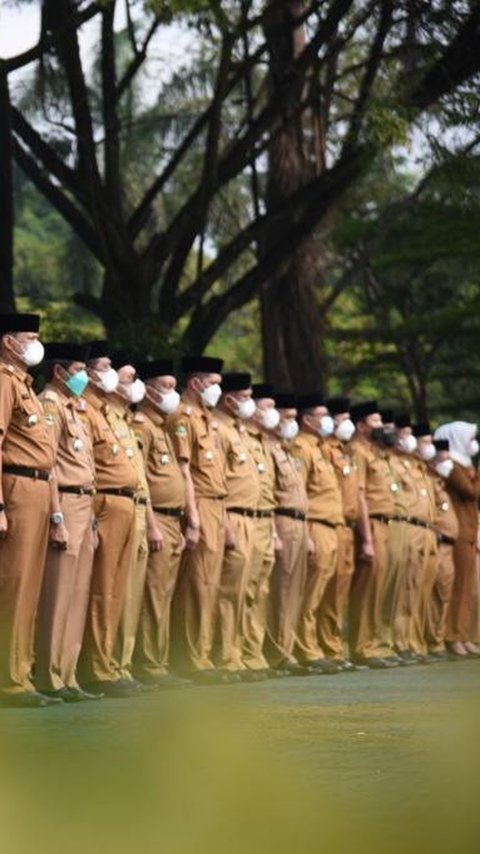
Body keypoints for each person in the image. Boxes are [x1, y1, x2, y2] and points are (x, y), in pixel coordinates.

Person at [0, 314, 62, 707]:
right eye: (30, 338)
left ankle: (22, 675)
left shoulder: (25, 385)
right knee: (15, 584)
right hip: (18, 486)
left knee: (31, 588)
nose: (36, 345)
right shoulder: (4, 381)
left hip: (39, 487)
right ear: (9, 342)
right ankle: (9, 681)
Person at [34, 342, 99, 702]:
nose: (83, 377)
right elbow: (50, 467)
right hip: (66, 502)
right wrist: (57, 514)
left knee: (77, 593)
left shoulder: (75, 409)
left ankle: (68, 674)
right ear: (60, 372)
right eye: (78, 370)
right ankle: (48, 675)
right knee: (58, 592)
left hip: (85, 503)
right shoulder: (50, 405)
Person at [77, 341, 140, 697]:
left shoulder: (105, 413)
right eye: (105, 366)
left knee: (116, 591)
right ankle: (97, 668)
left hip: (125, 505)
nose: (111, 373)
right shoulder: (85, 410)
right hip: (102, 503)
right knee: (101, 590)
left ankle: (108, 664)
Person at [167, 356, 233, 684]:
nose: (217, 391)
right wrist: (192, 516)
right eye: (213, 384)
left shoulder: (208, 419)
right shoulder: (183, 416)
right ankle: (192, 658)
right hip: (201, 503)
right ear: (195, 384)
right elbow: (184, 470)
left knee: (210, 584)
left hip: (218, 505)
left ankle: (203, 654)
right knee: (198, 583)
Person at [131, 359, 188, 688]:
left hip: (172, 519)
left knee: (164, 594)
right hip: (157, 518)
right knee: (153, 594)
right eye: (166, 387)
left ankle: (159, 661)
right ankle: (149, 663)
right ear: (149, 390)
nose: (172, 394)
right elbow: (142, 481)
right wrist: (152, 525)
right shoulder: (142, 425)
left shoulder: (161, 427)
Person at [110, 356, 164, 688]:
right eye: (129, 378)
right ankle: (106, 666)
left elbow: (141, 477)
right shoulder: (104, 418)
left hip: (140, 509)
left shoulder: (127, 421)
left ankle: (123, 665)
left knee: (130, 593)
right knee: (112, 592)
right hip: (113, 506)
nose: (136, 386)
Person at [213, 373, 263, 679]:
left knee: (245, 591)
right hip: (230, 514)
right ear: (229, 398)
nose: (249, 404)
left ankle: (238, 652)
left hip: (252, 517)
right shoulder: (219, 429)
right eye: (244, 397)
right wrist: (225, 523)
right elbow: (215, 479)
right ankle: (224, 656)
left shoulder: (240, 430)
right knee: (228, 590)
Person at [290, 394, 344, 674]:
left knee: (321, 591)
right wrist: (306, 532)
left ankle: (317, 645)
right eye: (321, 416)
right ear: (307, 419)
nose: (328, 421)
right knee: (309, 591)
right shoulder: (301, 447)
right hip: (316, 525)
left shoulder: (322, 447)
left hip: (332, 525)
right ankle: (306, 647)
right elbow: (300, 491)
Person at [263, 394, 312, 675]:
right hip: (281, 520)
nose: (291, 423)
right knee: (279, 589)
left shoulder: (286, 449)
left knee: (294, 590)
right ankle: (277, 651)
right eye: (287, 417)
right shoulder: (267, 447)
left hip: (298, 522)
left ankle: (286, 647)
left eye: (294, 417)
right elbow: (267, 493)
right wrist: (273, 532)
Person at [348, 401, 399, 669]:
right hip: (372, 524)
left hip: (385, 524)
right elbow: (360, 496)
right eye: (376, 422)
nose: (382, 427)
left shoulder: (376, 453)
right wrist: (366, 537)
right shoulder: (357, 451)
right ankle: (362, 646)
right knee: (367, 588)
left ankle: (377, 642)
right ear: (361, 426)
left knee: (380, 587)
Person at [242, 384, 284, 676]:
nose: (271, 414)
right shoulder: (238, 435)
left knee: (260, 590)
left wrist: (273, 531)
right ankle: (235, 655)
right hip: (240, 518)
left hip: (263, 520)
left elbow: (267, 491)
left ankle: (254, 654)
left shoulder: (261, 441)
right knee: (240, 591)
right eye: (264, 407)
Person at [434, 421, 480, 657]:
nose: (473, 443)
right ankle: (452, 635)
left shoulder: (465, 464)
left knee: (469, 588)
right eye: (470, 438)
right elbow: (471, 491)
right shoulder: (448, 465)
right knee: (458, 585)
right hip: (459, 532)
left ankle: (463, 633)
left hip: (470, 531)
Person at [323, 396, 362, 670]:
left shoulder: (345, 452)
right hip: (329, 524)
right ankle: (326, 648)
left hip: (346, 526)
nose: (346, 424)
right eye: (342, 419)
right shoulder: (324, 449)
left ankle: (336, 648)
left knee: (341, 591)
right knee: (328, 589)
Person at [425, 438, 459, 659]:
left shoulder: (443, 484)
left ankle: (437, 638)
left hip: (449, 545)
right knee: (432, 593)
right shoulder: (428, 481)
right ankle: (430, 640)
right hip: (435, 543)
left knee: (444, 594)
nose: (447, 463)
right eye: (442, 459)